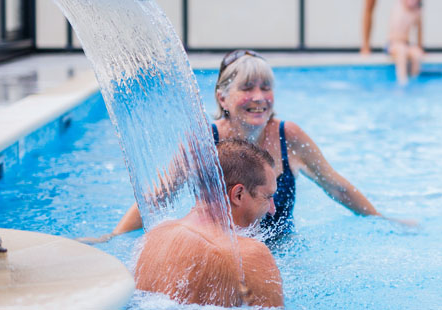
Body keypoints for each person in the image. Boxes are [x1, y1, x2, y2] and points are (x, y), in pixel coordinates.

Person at [107, 49, 415, 244]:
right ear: (222, 98)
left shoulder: (288, 136)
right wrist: (114, 239)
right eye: (248, 87)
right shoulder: (204, 141)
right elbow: (159, 197)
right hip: (222, 251)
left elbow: (336, 187)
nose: (259, 97)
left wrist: (380, 220)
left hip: (280, 252)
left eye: (266, 88)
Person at [134, 139, 283, 307]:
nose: (273, 209)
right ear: (238, 194)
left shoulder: (154, 236)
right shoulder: (247, 255)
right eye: (268, 197)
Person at [387, 0, 424, 85]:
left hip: (406, 43)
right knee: (401, 51)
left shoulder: (416, 12)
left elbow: (419, 30)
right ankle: (402, 81)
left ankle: (415, 80)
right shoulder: (398, 6)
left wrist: (420, 46)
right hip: (393, 44)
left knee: (417, 53)